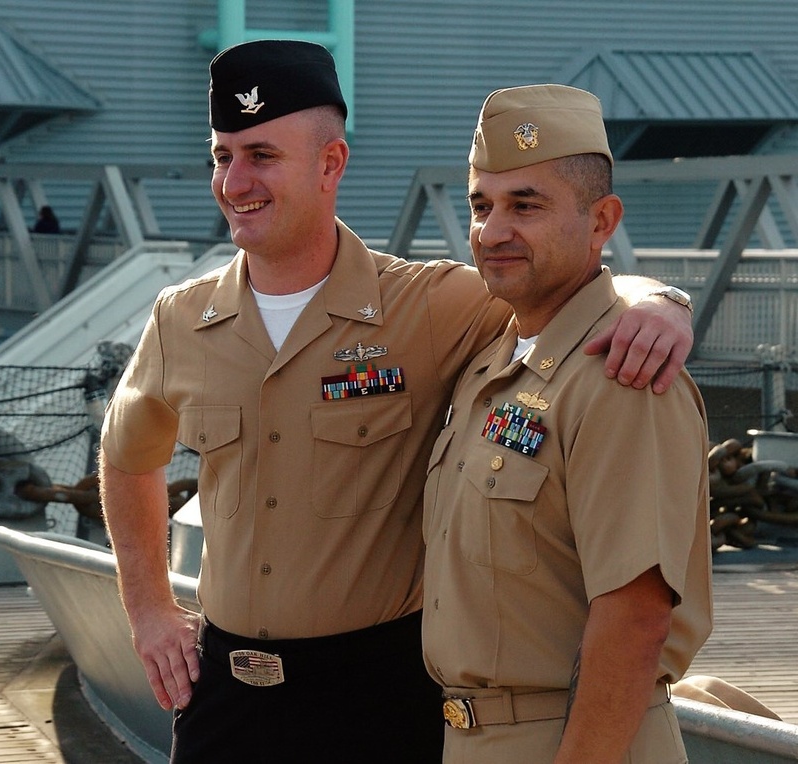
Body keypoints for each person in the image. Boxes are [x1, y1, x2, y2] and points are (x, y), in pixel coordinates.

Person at [99, 42, 694, 764]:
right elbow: (127, 455)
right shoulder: (180, 321)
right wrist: (150, 609)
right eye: (222, 156)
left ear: (330, 164)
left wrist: (661, 302)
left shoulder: (431, 306)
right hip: (225, 696)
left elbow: (559, 290)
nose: (234, 181)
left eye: (261, 154)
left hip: (378, 695)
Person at [421, 84, 713, 763]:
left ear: (602, 220)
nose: (493, 231)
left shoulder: (624, 376)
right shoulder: (492, 365)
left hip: (579, 741)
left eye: (526, 205)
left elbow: (636, 618)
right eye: (481, 204)